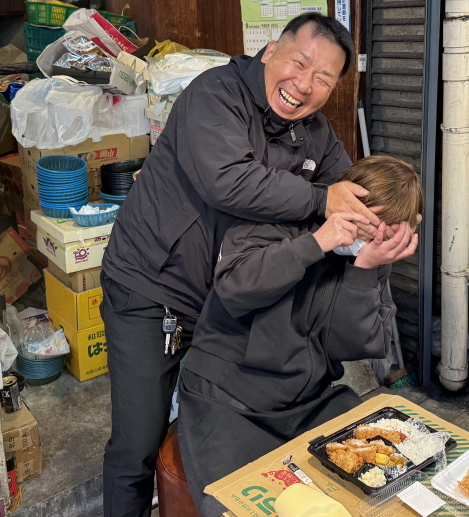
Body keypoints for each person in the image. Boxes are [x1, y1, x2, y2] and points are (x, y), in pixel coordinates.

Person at [100, 13, 382, 517]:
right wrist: (324, 203)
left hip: (224, 299)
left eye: (324, 79)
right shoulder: (215, 95)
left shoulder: (314, 133)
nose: (305, 85)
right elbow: (228, 181)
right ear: (270, 49)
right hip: (154, 285)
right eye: (300, 63)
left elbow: (349, 188)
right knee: (138, 442)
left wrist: (386, 215)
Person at [176, 155, 424, 517]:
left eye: (386, 234)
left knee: (392, 477)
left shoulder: (369, 257)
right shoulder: (279, 217)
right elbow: (234, 288)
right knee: (236, 506)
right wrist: (317, 242)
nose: (372, 238)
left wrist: (366, 269)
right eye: (368, 225)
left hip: (309, 400)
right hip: (227, 398)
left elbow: (358, 344)